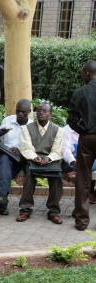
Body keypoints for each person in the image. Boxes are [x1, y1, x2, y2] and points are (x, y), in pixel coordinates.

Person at [16, 103, 64, 224]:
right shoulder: (27, 128)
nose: (41, 112)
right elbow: (26, 147)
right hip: (33, 159)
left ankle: (53, 211)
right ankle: (25, 209)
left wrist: (49, 158)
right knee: (29, 175)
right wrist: (35, 157)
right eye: (39, 110)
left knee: (57, 178)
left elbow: (57, 150)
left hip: (50, 160)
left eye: (45, 111)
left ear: (50, 115)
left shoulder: (58, 130)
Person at [69, 60, 96, 230]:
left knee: (83, 179)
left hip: (87, 138)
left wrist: (83, 130)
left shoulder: (79, 92)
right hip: (88, 136)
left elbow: (71, 118)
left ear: (87, 73)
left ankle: (81, 221)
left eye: (82, 73)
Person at [0, 99, 32, 215]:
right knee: (4, 160)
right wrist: (0, 134)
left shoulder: (31, 126)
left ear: (29, 112)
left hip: (23, 158)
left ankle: (4, 201)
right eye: (18, 111)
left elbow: (33, 146)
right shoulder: (7, 120)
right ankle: (2, 200)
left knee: (6, 171)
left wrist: (20, 150)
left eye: (23, 112)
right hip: (6, 154)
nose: (20, 114)